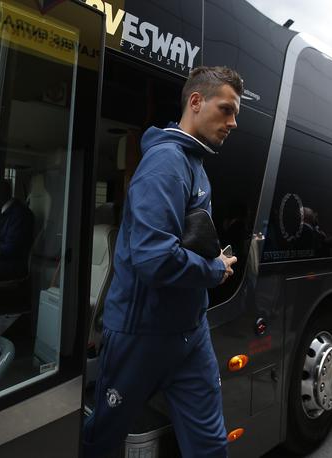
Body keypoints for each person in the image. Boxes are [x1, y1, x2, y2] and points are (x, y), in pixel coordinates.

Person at [82, 66, 241, 458]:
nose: (233, 122)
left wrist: (210, 258)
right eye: (226, 109)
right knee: (102, 438)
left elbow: (185, 238)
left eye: (235, 114)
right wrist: (214, 270)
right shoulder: (165, 163)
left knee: (209, 446)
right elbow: (154, 258)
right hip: (142, 334)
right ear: (196, 101)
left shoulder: (197, 166)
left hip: (190, 331)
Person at [0, 179, 34, 281]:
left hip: (14, 265)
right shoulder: (4, 212)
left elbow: (11, 248)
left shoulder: (20, 215)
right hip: (5, 261)